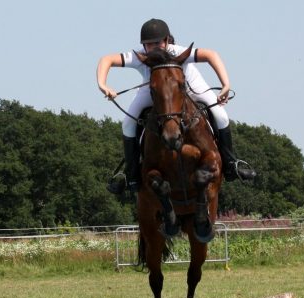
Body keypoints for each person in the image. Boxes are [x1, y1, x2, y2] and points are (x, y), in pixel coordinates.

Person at [97, 18, 256, 194]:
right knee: (127, 123)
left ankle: (231, 164)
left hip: (192, 89)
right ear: (143, 45)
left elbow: (211, 55)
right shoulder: (139, 56)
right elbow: (106, 60)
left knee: (221, 115)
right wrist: (103, 85)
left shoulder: (178, 52)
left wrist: (225, 84)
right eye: (148, 44)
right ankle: (131, 175)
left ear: (166, 41)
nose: (154, 47)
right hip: (156, 92)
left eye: (157, 42)